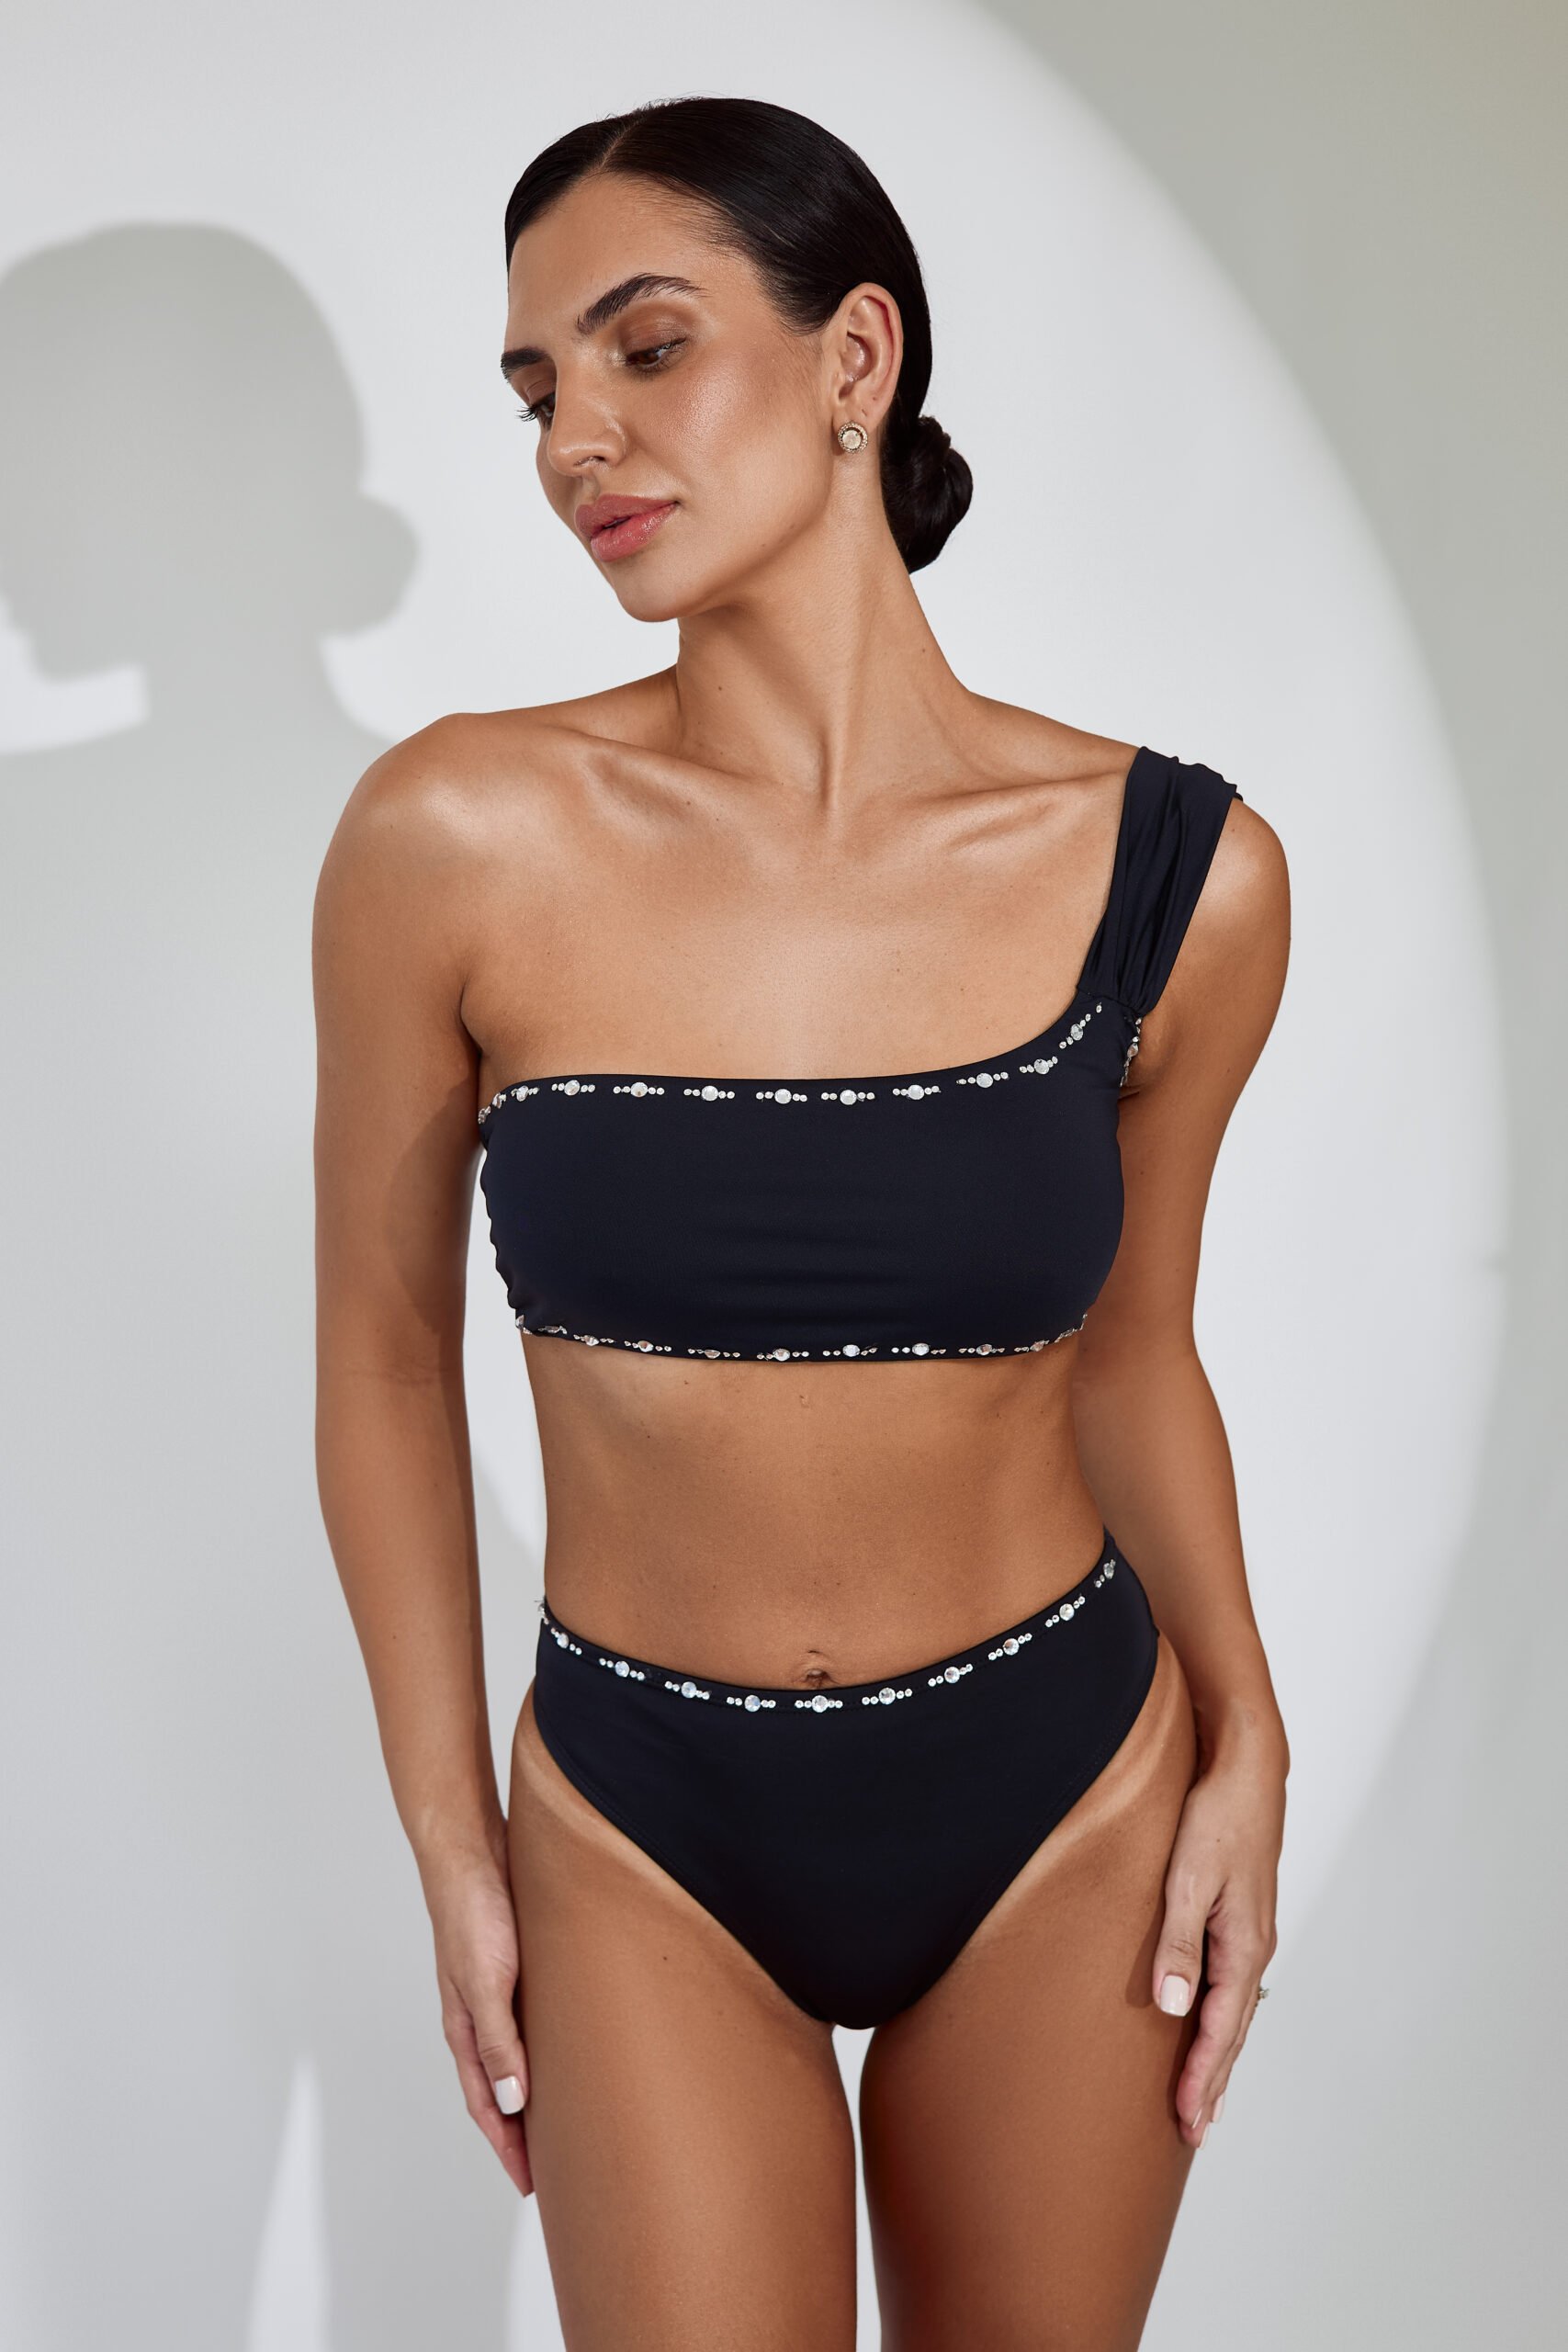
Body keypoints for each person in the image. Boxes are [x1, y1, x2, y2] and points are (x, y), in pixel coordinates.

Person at [313, 95, 1291, 2351]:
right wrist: (450, 1837)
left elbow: (1133, 1350)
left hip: (1066, 1788)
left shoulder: (1179, 875)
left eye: (645, 347)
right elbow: (377, 1351)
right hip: (640, 1811)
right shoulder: (453, 835)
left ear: (855, 357)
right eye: (536, 389)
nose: (577, 438)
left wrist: (1246, 1732)